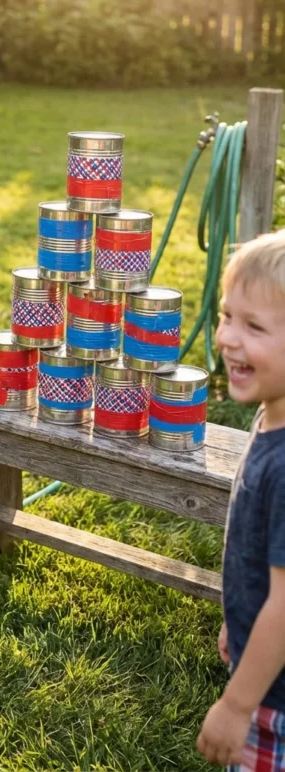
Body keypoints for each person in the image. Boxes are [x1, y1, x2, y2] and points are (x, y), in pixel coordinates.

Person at [197, 229, 285, 770]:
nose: (229, 338)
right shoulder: (271, 414)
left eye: (254, 327)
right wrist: (241, 617)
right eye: (229, 316)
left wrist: (236, 705)